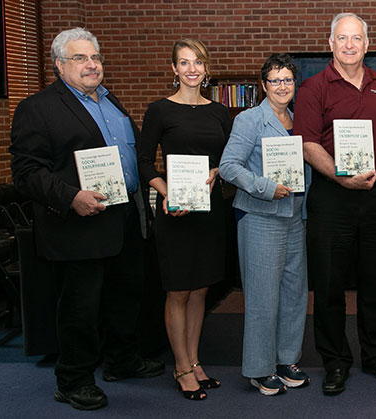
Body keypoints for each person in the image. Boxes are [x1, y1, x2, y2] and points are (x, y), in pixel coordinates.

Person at [9, 27, 164, 411]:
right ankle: (73, 379)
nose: (91, 64)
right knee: (80, 307)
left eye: (95, 57)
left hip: (124, 218)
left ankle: (120, 360)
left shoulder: (113, 104)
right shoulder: (38, 108)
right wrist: (71, 197)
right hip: (77, 226)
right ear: (59, 65)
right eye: (80, 58)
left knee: (125, 297)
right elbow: (27, 171)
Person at [293, 12, 376, 395]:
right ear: (331, 44)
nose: (350, 45)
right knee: (328, 284)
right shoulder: (312, 88)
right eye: (342, 38)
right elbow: (307, 144)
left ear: (367, 44)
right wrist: (341, 176)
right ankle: (335, 361)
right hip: (332, 197)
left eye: (356, 38)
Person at [137, 38, 230, 401]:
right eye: (184, 63)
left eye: (198, 63)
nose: (192, 69)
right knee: (178, 290)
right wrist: (166, 191)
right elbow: (144, 161)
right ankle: (180, 366)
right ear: (174, 69)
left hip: (209, 212)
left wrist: (216, 170)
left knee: (202, 289)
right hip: (175, 212)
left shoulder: (219, 113)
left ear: (206, 70)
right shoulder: (159, 110)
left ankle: (194, 362)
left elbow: (228, 158)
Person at [219, 53, 311, 396]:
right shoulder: (248, 120)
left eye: (288, 80)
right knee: (262, 297)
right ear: (263, 85)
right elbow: (228, 166)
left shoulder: (300, 119)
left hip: (294, 217)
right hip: (260, 216)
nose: (282, 86)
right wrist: (265, 187)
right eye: (275, 80)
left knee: (293, 294)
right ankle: (260, 369)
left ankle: (287, 360)